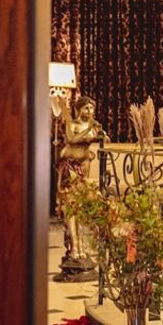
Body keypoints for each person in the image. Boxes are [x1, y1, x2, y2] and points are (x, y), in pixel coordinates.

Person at [56, 97, 108, 278]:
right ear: (78, 110)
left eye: (92, 108)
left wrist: (100, 134)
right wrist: (88, 129)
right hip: (71, 167)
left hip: (84, 169)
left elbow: (103, 138)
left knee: (80, 209)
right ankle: (74, 249)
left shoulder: (92, 125)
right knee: (71, 208)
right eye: (86, 108)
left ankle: (80, 248)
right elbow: (72, 139)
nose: (89, 112)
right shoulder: (73, 124)